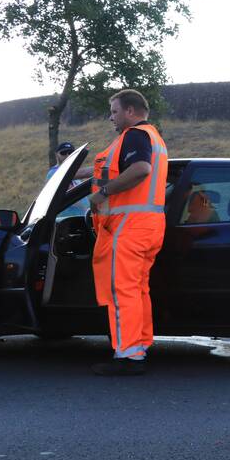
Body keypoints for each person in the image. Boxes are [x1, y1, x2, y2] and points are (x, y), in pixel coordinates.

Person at [75, 89, 169, 376]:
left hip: (129, 227)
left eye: (114, 111)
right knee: (138, 290)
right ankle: (138, 347)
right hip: (148, 227)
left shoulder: (134, 135)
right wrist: (73, 172)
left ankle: (127, 356)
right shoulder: (153, 137)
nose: (111, 117)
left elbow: (139, 169)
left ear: (130, 111)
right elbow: (114, 170)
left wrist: (101, 194)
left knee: (121, 292)